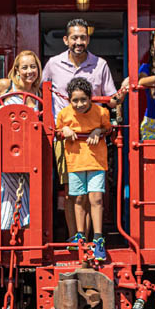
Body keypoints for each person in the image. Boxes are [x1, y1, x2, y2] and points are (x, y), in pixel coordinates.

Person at [42, 19, 127, 238]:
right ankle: (75, 238)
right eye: (74, 37)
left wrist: (126, 89)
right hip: (65, 137)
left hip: (92, 137)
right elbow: (41, 95)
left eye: (82, 37)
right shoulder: (53, 64)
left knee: (92, 193)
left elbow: (111, 100)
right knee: (72, 193)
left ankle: (89, 240)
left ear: (88, 39)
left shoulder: (100, 65)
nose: (78, 42)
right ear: (66, 40)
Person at [0, 50, 42, 228]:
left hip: (29, 152)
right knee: (15, 191)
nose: (29, 71)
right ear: (17, 70)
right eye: (25, 67)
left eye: (33, 67)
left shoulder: (38, 93)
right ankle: (17, 228)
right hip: (5, 149)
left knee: (18, 194)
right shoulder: (6, 85)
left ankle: (13, 232)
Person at [55, 77, 112, 261]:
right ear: (69, 100)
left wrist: (98, 131)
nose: (79, 104)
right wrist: (64, 130)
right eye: (75, 100)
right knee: (78, 199)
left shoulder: (101, 113)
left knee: (96, 198)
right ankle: (80, 236)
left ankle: (98, 238)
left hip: (96, 161)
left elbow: (108, 129)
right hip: (75, 161)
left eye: (83, 100)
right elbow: (57, 131)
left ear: (90, 98)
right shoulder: (64, 114)